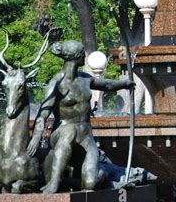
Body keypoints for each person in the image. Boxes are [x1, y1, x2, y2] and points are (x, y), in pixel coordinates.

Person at [27, 40, 135, 193]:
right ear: (75, 56)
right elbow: (43, 113)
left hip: (85, 136)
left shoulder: (85, 78)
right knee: (70, 131)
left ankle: (105, 172)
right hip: (61, 133)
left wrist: (125, 84)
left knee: (90, 183)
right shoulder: (56, 83)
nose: (85, 56)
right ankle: (54, 182)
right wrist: (37, 136)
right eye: (82, 53)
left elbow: (107, 85)